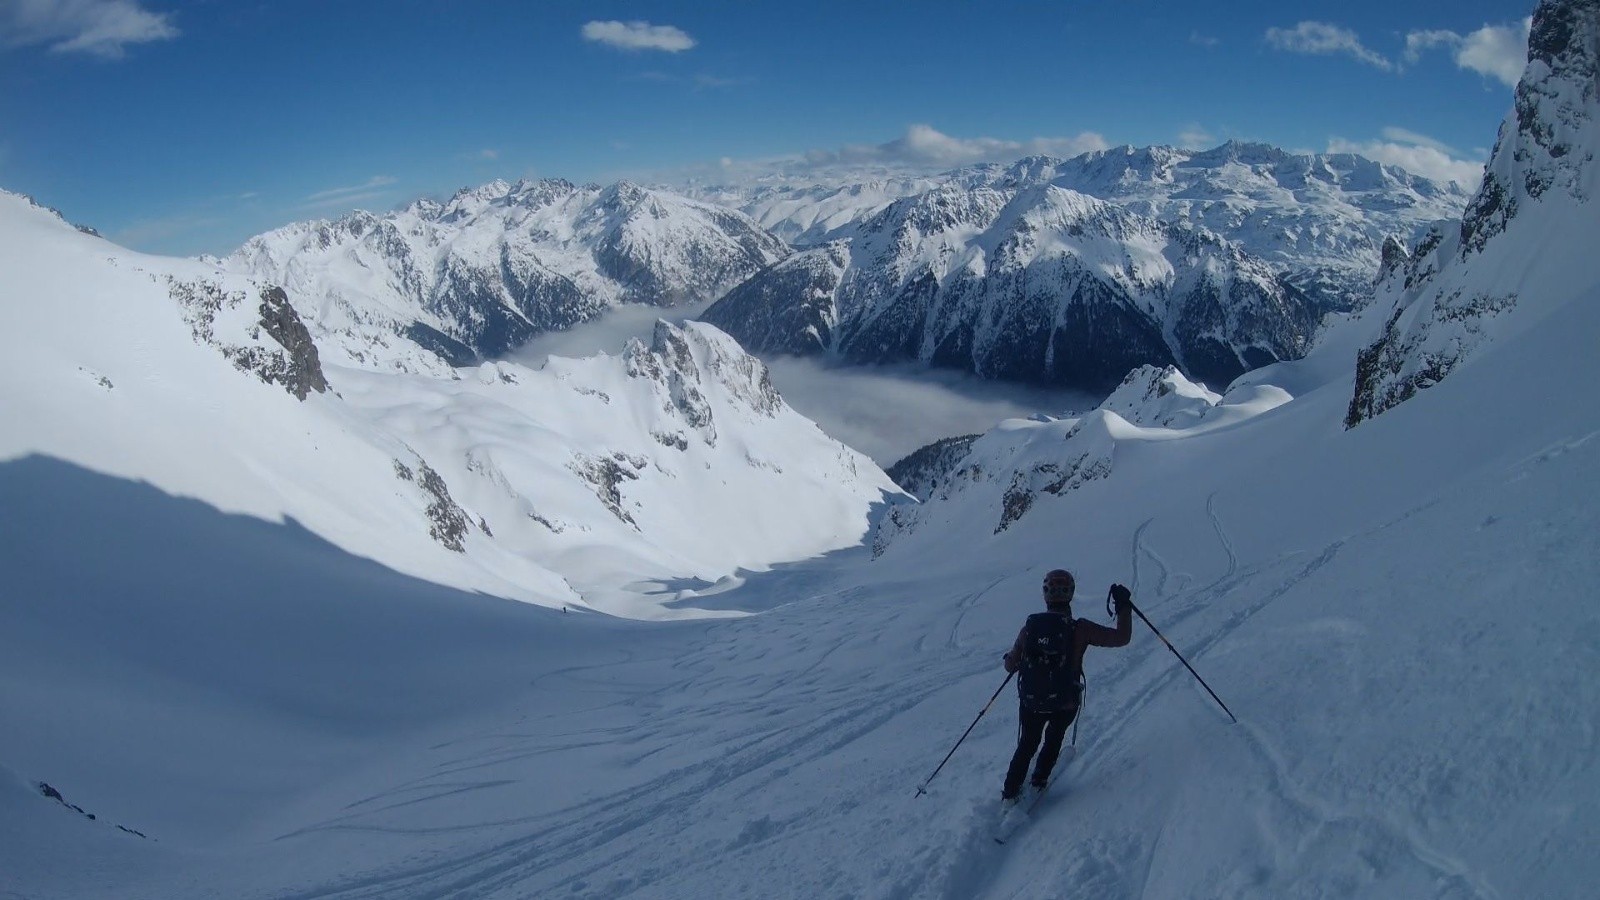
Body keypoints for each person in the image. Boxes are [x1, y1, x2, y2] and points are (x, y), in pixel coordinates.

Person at [1000, 569, 1133, 802]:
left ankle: (1010, 792)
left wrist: (1010, 660)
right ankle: (1039, 781)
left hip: (1031, 701)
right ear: (1070, 594)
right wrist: (1123, 606)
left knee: (1027, 744)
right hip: (1065, 701)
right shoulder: (1080, 628)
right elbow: (1121, 637)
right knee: (1053, 738)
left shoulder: (1030, 627)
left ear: (1046, 595)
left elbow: (1011, 665)